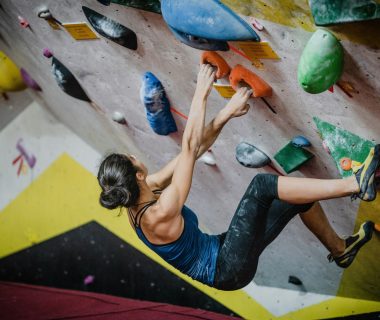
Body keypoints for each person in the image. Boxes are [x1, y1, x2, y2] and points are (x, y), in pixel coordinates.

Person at [97, 64, 379, 291]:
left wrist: (227, 113)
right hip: (227, 269)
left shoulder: (148, 188)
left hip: (224, 250)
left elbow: (195, 151)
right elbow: (190, 146)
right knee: (262, 186)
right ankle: (355, 184)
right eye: (130, 158)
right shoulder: (158, 214)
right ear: (137, 173)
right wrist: (201, 92)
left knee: (296, 198)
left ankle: (341, 250)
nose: (134, 156)